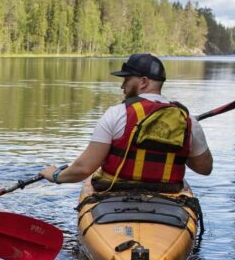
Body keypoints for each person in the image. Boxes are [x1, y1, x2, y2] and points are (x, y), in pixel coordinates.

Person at [41, 53, 212, 191]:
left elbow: (84, 169)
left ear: (144, 82)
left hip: (115, 194)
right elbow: (205, 169)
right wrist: (180, 140)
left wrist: (55, 175)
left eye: (127, 80)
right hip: (168, 197)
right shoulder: (187, 120)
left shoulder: (116, 114)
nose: (122, 86)